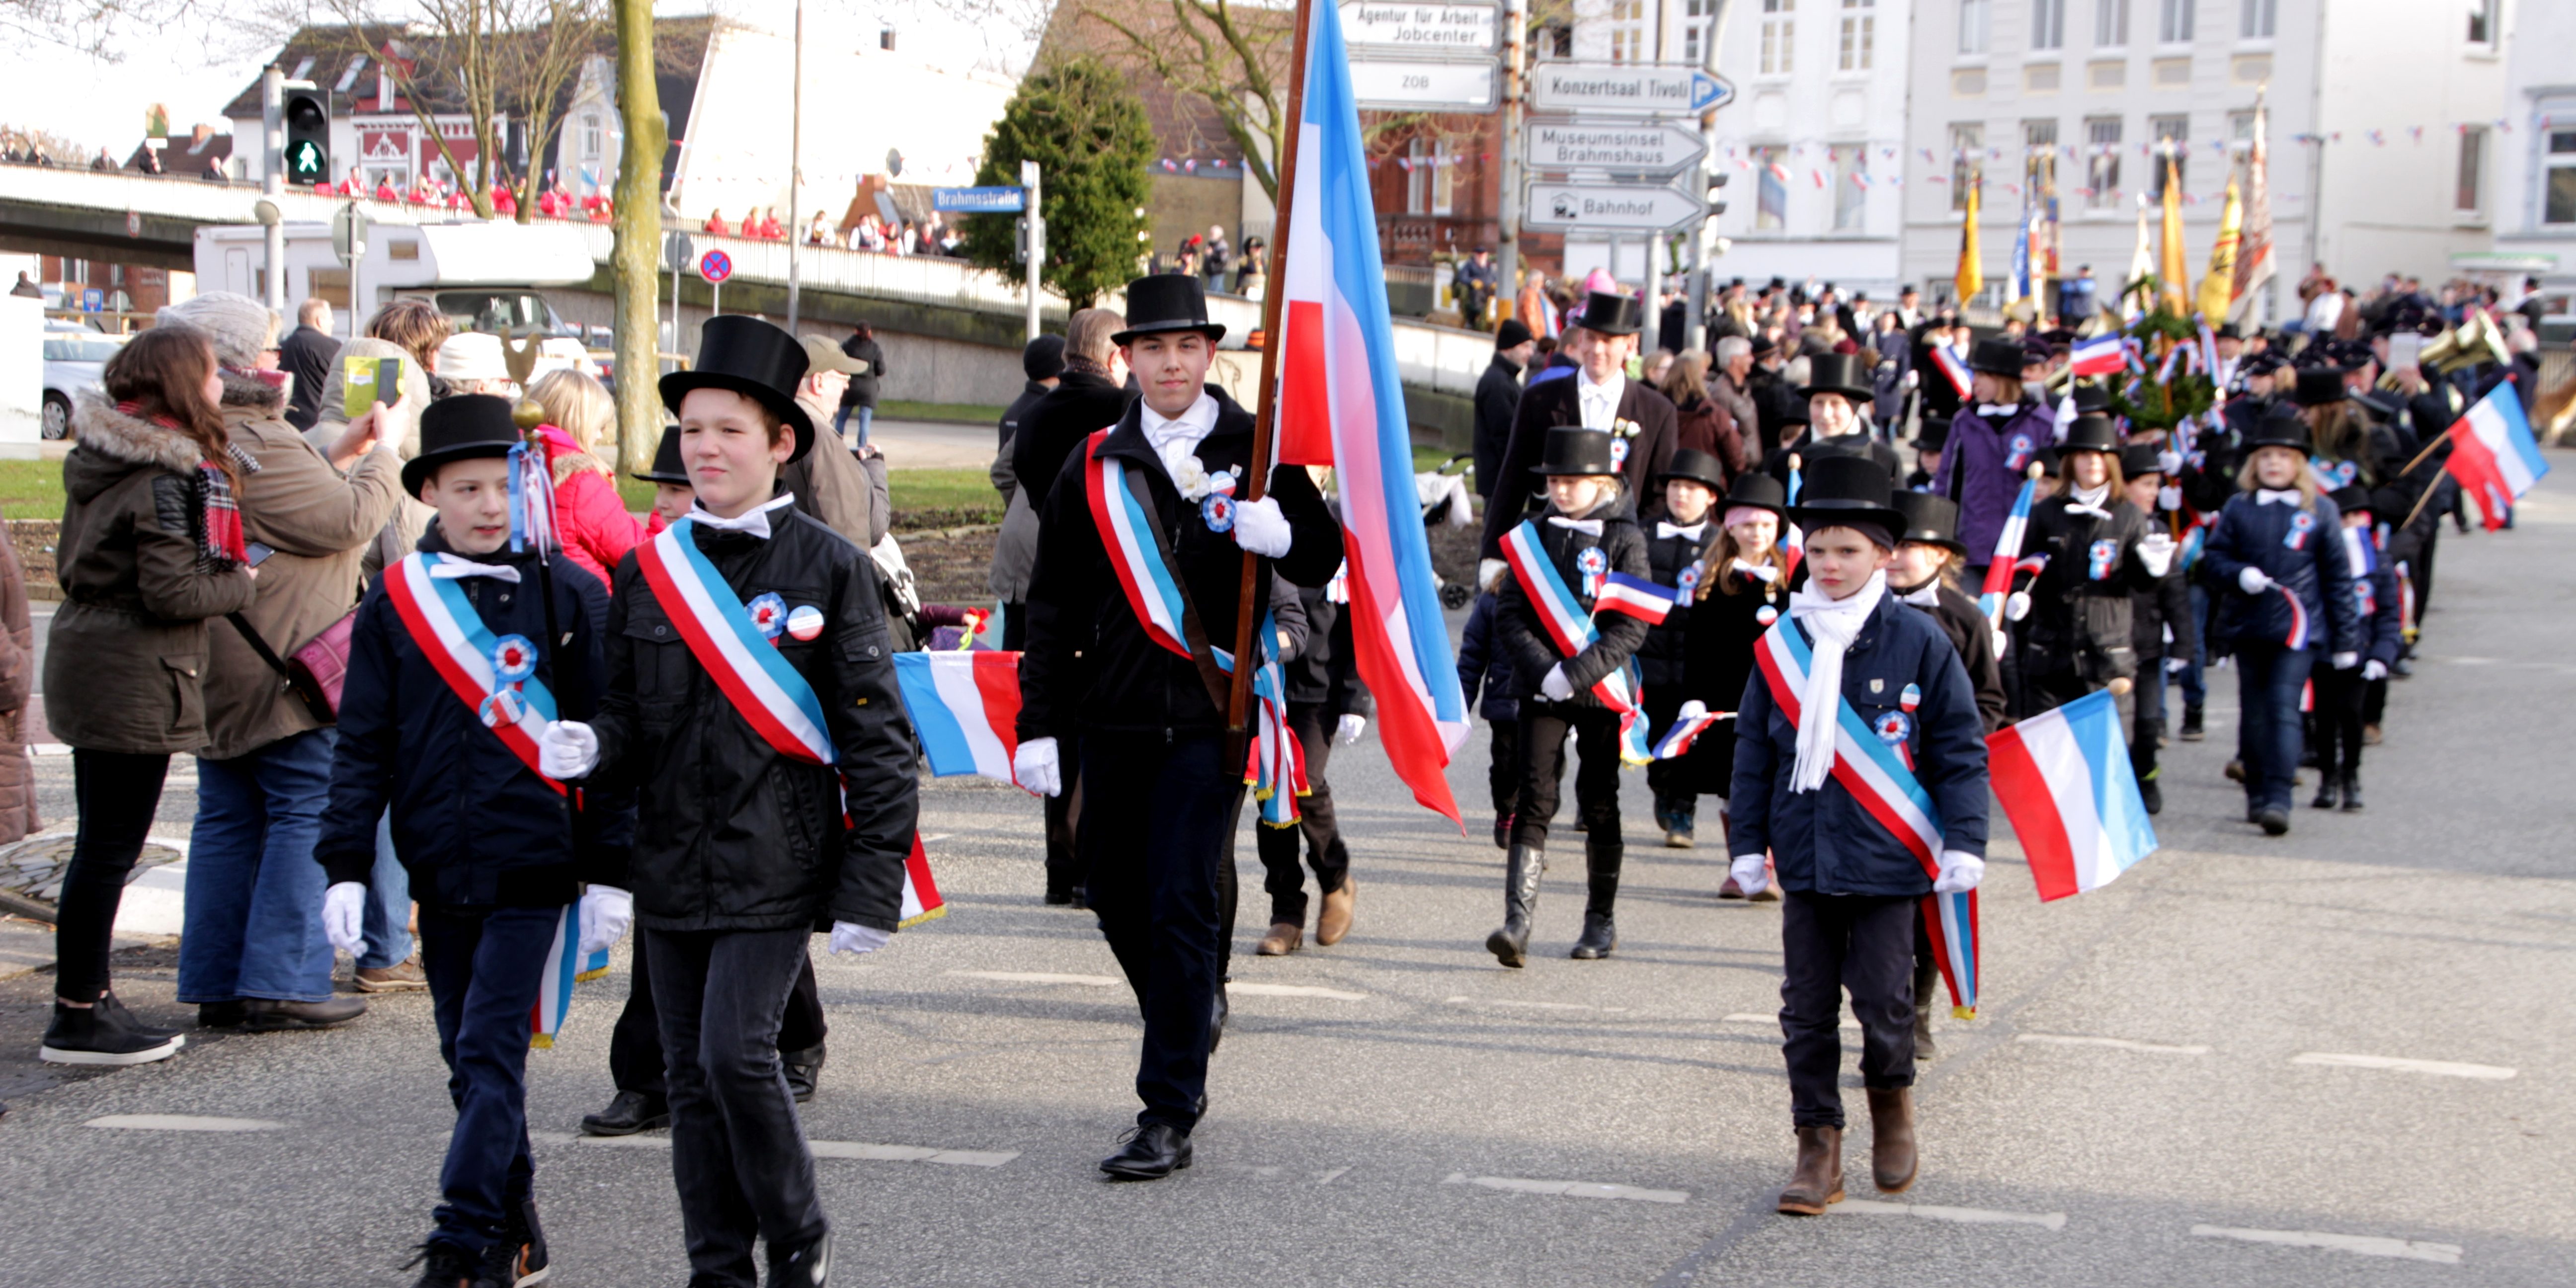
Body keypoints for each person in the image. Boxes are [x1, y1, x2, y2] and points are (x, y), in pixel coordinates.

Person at [538, 316, 920, 1286]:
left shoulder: (833, 569)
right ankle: (717, 1266)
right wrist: (593, 753)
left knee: (737, 1057)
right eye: (694, 430)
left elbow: (878, 738)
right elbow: (628, 719)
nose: (706, 448)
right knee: (690, 1082)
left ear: (781, 443)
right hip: (670, 863)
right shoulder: (647, 571)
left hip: (779, 861)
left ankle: (795, 1236)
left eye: (730, 431)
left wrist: (873, 885)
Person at [1013, 274, 1342, 1181]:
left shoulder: (1260, 447)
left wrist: (1276, 532)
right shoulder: (1091, 463)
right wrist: (1038, 721)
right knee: (1109, 889)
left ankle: (1166, 1108)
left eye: (1186, 348)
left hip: (1212, 718)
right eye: (1151, 349)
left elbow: (1322, 553)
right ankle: (1189, 1009)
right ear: (1126, 360)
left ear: (1209, 354)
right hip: (1110, 716)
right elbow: (1051, 605)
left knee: (1181, 897)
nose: (1169, 363)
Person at [312, 395, 626, 1288]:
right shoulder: (395, 604)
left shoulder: (568, 592)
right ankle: (518, 1227)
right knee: (464, 1059)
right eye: (465, 488)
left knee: (490, 1047)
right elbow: (363, 742)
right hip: (437, 864)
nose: (487, 506)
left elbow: (613, 739)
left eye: (500, 486)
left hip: (537, 863)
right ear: (432, 495)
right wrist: (342, 864)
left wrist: (610, 866)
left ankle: (461, 1242)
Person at [1726, 455, 1991, 1215]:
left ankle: (1892, 1110)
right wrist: (1748, 847)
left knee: (1885, 1004)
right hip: (1805, 857)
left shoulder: (1921, 641)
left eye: (1849, 550)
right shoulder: (1781, 645)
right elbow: (1753, 752)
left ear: (1883, 554)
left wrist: (1965, 841)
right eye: (1817, 550)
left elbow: (1958, 750)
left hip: (1888, 860)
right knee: (1804, 1009)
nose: (1831, 565)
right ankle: (1818, 1146)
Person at [151, 292, 402, 1031]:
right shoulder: (255, 434)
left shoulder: (207, 436)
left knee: (228, 819)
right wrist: (384, 454)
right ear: (228, 363)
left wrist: (337, 453)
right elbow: (348, 518)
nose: (279, 362)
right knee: (305, 812)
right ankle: (284, 979)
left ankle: (219, 978)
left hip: (223, 662)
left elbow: (275, 507)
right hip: (286, 669)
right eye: (266, 350)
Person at [42, 327, 260, 1065]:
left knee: (101, 845)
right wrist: (241, 580)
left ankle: (90, 997)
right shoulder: (169, 474)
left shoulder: (102, 456)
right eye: (210, 376)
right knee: (109, 850)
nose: (220, 388)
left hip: (89, 656)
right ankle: (78, 1015)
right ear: (179, 384)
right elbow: (174, 592)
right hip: (133, 670)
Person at [1489, 426, 1652, 965]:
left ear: (1602, 482)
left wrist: (1577, 673)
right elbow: (1509, 615)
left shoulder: (1626, 539)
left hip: (1600, 686)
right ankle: (1517, 923)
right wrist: (1546, 673)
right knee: (1534, 794)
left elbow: (1631, 629)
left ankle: (1599, 922)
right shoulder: (1531, 536)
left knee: (1599, 799)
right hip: (1544, 686)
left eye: (1573, 482)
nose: (1561, 491)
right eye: (1555, 481)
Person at [1005, 310, 1134, 900]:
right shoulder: (1121, 415)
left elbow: (1021, 482)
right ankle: (1090, 867)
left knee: (1056, 726)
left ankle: (1060, 868)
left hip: (1050, 574)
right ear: (1114, 359)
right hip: (1110, 586)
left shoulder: (1032, 417)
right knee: (1098, 732)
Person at [2199, 414, 2360, 836]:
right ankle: (2255, 792)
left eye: (2284, 457)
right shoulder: (2239, 508)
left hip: (2299, 632)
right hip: (2249, 628)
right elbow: (2212, 562)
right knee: (2253, 714)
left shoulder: (2321, 511)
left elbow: (2338, 579)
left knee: (2283, 709)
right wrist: (2238, 574)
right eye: (2267, 455)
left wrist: (2346, 640)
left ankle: (2278, 797)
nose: (2274, 463)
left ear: (2299, 464)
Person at [1476, 290, 1681, 573]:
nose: (1597, 349)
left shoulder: (1658, 410)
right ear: (1580, 338)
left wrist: (1633, 547)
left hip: (1621, 560)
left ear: (1629, 345)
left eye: (1608, 341)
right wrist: (1493, 554)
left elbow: (1658, 494)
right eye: (1591, 338)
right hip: (1551, 553)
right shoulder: (1540, 399)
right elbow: (1512, 480)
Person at [2002, 413, 2172, 720]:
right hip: (2051, 653)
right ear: (2069, 461)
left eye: (2101, 455)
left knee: (2104, 753)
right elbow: (2025, 565)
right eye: (2083, 454)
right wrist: (2018, 593)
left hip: (2107, 656)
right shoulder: (2046, 512)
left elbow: (2140, 584)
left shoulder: (2128, 514)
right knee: (2049, 752)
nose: (2093, 462)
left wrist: (2154, 568)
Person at [1677, 474, 1789, 898]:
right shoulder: (1712, 583)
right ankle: (1740, 865)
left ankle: (1768, 867)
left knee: (1776, 781)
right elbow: (1698, 648)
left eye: (1764, 525)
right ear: (1731, 527)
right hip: (1728, 702)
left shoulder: (1789, 583)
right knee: (1735, 785)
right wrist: (1694, 698)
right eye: (1747, 525)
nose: (1756, 533)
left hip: (1778, 700)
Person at [1252, 557, 1368, 956]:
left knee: (1305, 784)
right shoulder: (1257, 517)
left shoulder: (1339, 537)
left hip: (1320, 692)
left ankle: (1336, 879)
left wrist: (1356, 697)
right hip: (1264, 683)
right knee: (1271, 796)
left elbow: (1360, 624)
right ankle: (1286, 913)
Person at [1642, 449, 1724, 847]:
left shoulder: (1720, 544)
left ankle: (1682, 813)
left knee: (1691, 738)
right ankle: (1662, 788)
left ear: (1710, 497)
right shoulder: (1644, 535)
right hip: (1651, 660)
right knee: (1657, 737)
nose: (1681, 495)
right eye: (1676, 486)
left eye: (1692, 488)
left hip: (1697, 665)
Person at [1934, 338, 2058, 585]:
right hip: (1973, 548)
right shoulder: (1964, 422)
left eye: (1982, 375)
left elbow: (2054, 484)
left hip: (2023, 549)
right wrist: (1942, 534)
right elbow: (1947, 483)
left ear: (2003, 379)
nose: (1974, 382)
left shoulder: (2042, 423)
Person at [2310, 486, 2401, 811]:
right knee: (2323, 715)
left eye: (2357, 517)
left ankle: (2351, 775)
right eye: (2343, 518)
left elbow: (2390, 614)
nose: (2351, 523)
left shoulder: (2379, 562)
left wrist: (2383, 654)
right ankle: (2327, 778)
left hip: (2362, 651)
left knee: (2351, 713)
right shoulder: (2320, 560)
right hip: (2325, 649)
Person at [2118, 444, 2194, 814]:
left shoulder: (2159, 531)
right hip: (2112, 645)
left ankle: (2147, 776)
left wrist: (2184, 644)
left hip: (2148, 645)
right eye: (2146, 484)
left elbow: (2176, 593)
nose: (2153, 492)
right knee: (2121, 723)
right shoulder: (2110, 526)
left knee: (2148, 722)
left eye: (2156, 485)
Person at [525, 368, 648, 585]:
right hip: (586, 607)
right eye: (599, 426)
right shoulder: (580, 482)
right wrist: (666, 513)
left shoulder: (517, 467)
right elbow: (638, 554)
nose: (600, 435)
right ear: (580, 423)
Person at [1454, 584, 1524, 849]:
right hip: (1504, 701)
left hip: (1546, 703)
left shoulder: (1555, 591)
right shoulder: (1494, 596)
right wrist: (1460, 707)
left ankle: (1530, 837)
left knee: (1542, 773)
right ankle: (1507, 811)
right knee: (1506, 767)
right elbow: (1473, 655)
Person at [1473, 320, 1536, 501]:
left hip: (1502, 479)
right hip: (1500, 480)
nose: (1530, 353)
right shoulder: (1498, 384)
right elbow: (1504, 434)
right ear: (1508, 347)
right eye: (1525, 346)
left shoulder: (1505, 380)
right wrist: (1516, 472)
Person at [1661, 350, 1744, 480]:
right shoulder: (1713, 414)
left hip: (1665, 480)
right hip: (1707, 481)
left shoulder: (1655, 409)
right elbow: (1735, 455)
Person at [278, 298, 341, 432]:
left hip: (287, 426)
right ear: (319, 320)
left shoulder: (281, 348)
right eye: (330, 318)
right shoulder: (331, 347)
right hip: (320, 426)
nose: (333, 323)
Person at [836, 321, 886, 447]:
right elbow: (881, 370)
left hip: (850, 387)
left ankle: (836, 444)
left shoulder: (847, 346)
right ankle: (861, 447)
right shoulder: (874, 348)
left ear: (856, 331)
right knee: (864, 421)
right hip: (868, 389)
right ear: (869, 332)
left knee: (841, 419)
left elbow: (839, 362)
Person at [1454, 246, 1498, 328]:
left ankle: (1493, 321)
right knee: (1477, 297)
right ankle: (1473, 320)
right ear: (1476, 255)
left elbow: (1495, 277)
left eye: (1483, 255)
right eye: (1479, 255)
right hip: (1476, 290)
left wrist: (1496, 283)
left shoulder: (1490, 266)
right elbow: (1462, 277)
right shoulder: (1470, 265)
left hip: (1490, 290)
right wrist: (1472, 282)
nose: (1481, 257)